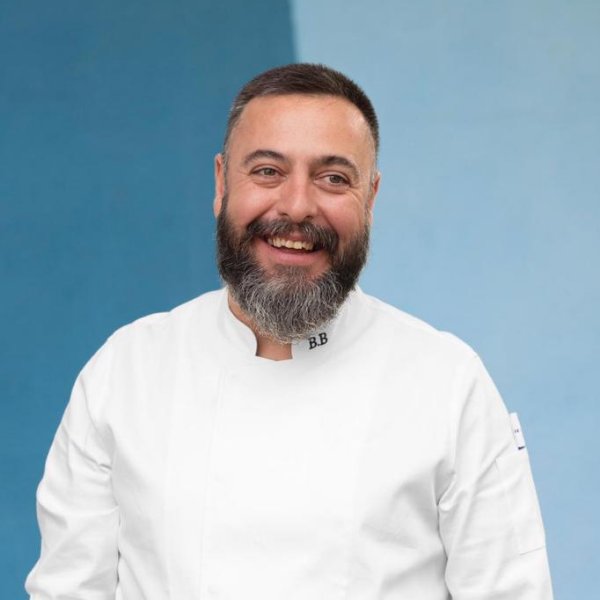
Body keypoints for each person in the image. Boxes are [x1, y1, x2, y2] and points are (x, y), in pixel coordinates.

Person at [26, 63, 553, 599]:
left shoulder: (448, 384)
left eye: (333, 178)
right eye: (267, 171)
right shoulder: (126, 374)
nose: (298, 206)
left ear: (370, 199)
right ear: (221, 184)